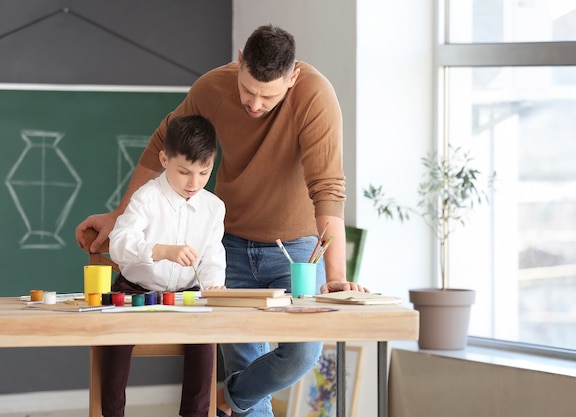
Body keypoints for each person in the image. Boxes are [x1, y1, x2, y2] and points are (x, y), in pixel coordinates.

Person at [76, 24, 368, 417]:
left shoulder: (316, 96)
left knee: (302, 352)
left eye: (269, 95)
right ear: (239, 61)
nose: (255, 104)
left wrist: (334, 277)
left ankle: (228, 398)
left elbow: (328, 188)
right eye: (248, 90)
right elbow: (163, 144)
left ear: (293, 77)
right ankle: (238, 399)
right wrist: (121, 214)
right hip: (228, 245)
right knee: (245, 360)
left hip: (296, 250)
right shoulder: (212, 88)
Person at [103, 114, 226, 417]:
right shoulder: (146, 198)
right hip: (135, 292)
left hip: (188, 296)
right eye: (184, 172)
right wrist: (160, 251)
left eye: (203, 172)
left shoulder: (213, 207)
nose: (193, 183)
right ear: (164, 159)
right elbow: (118, 242)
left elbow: (212, 253)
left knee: (204, 345)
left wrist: (213, 284)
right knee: (114, 346)